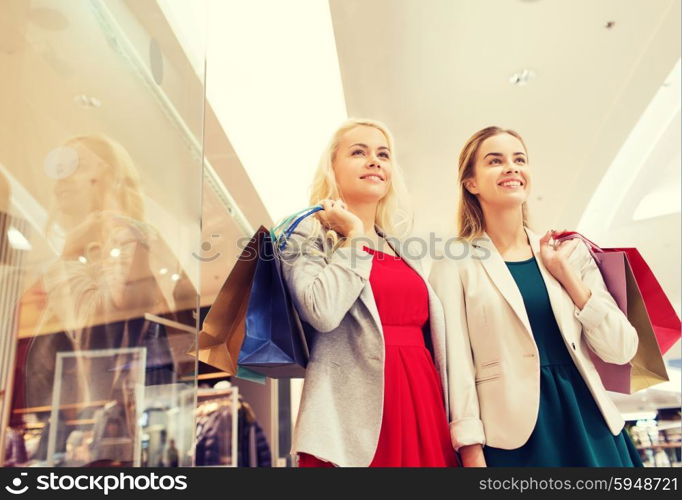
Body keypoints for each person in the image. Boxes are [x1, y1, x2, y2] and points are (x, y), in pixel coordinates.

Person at [429, 126, 642, 467]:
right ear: (471, 182)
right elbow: (455, 366)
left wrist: (567, 275)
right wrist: (470, 449)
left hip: (589, 422)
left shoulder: (569, 252)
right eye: (495, 161)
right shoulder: (453, 264)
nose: (511, 167)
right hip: (513, 438)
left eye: (519, 159)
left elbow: (621, 349)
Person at [280, 118, 456, 467]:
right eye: (358, 152)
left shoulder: (401, 248)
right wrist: (356, 238)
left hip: (421, 399)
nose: (374, 161)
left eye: (383, 154)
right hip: (353, 412)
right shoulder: (305, 234)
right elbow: (322, 311)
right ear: (332, 167)